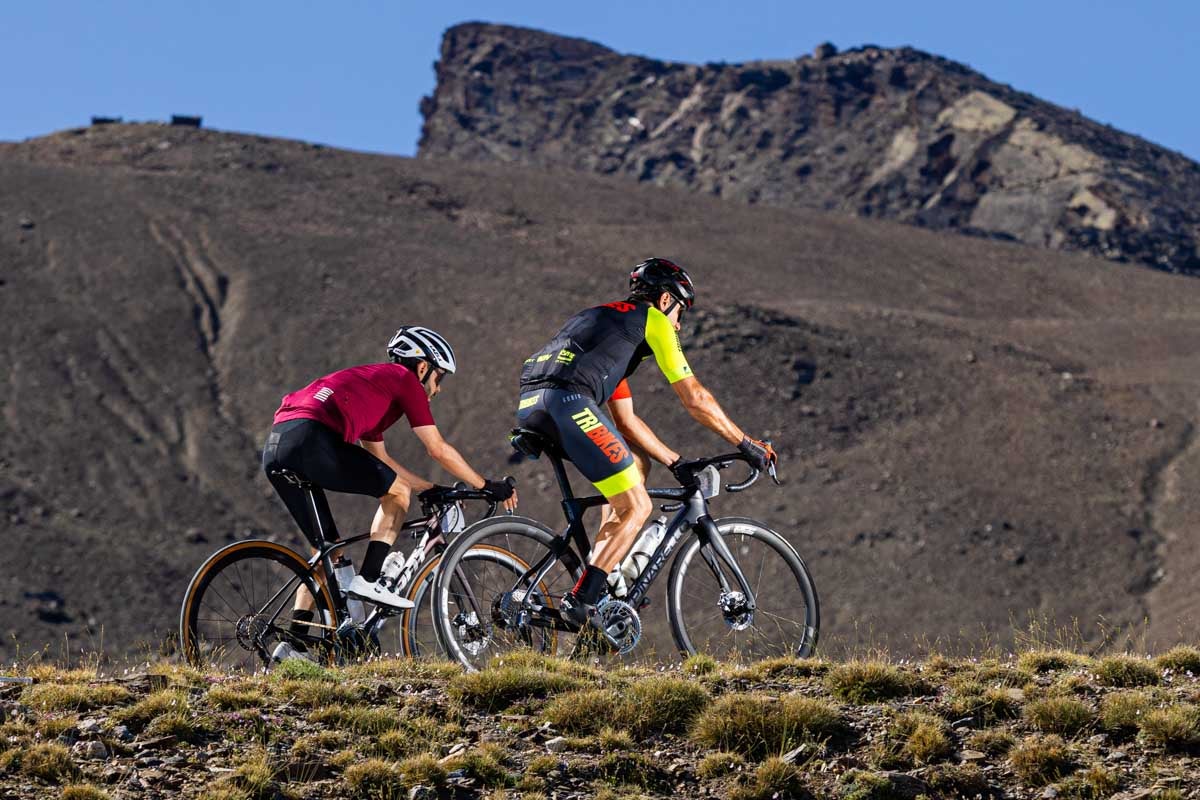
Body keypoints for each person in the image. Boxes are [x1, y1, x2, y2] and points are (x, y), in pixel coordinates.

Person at [515, 258, 776, 628]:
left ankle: (608, 572)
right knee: (638, 506)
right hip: (567, 402)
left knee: (637, 465)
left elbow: (627, 422)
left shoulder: (608, 329)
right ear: (666, 300)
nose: (679, 324)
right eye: (680, 312)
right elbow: (695, 398)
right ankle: (581, 601)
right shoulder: (651, 320)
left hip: (533, 404)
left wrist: (675, 461)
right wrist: (745, 442)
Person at [262, 326, 517, 636]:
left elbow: (381, 461)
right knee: (397, 493)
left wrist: (431, 489)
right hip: (312, 437)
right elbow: (436, 449)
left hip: (278, 445)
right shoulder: (404, 379)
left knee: (329, 553)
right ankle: (370, 579)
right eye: (439, 378)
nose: (438, 389)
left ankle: (293, 644)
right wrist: (486, 485)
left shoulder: (374, 392)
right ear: (423, 367)